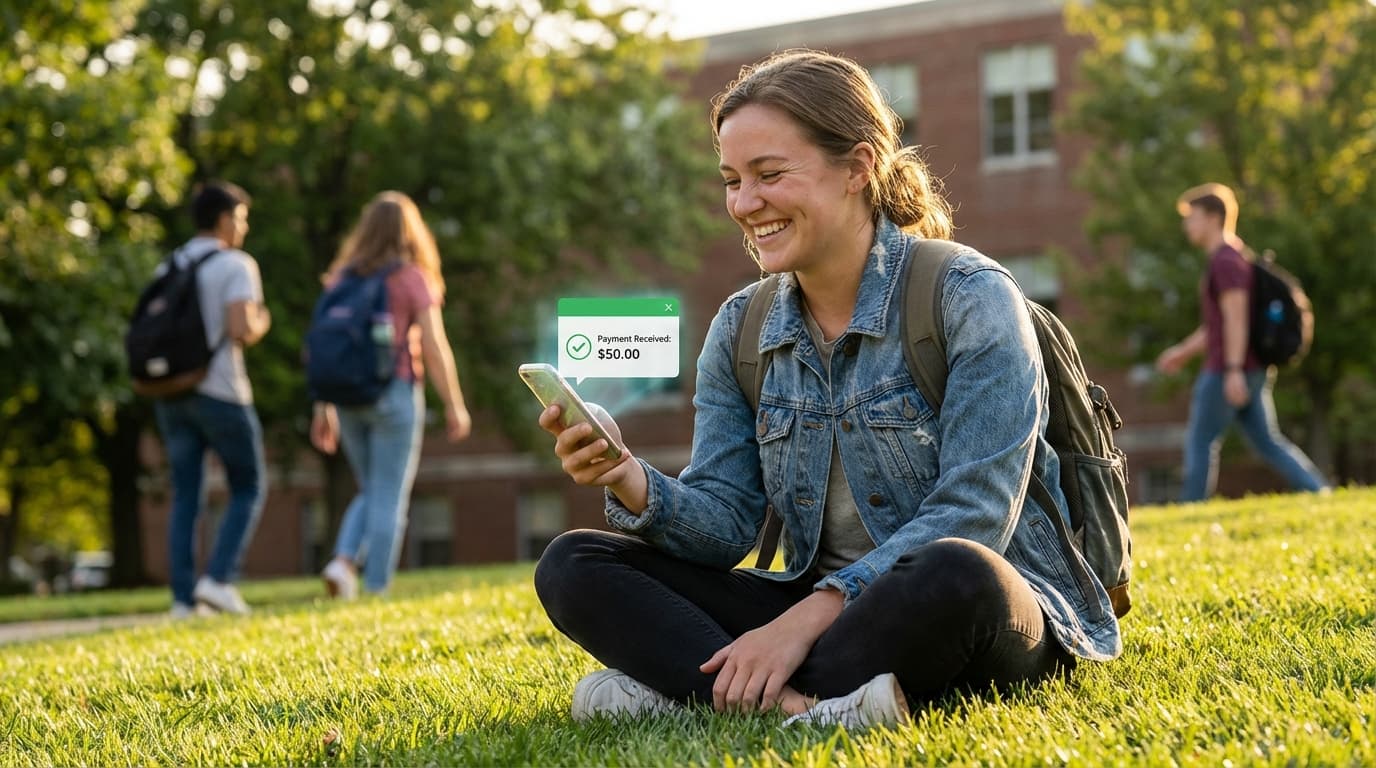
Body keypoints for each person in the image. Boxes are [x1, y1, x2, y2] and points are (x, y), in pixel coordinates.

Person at [532, 50, 1121, 729]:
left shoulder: (970, 296)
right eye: (731, 180)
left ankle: (688, 688)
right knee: (573, 563)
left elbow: (975, 513)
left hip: (980, 608)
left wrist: (803, 623)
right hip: (821, 612)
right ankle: (806, 706)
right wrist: (629, 476)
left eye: (769, 174)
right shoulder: (741, 327)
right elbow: (726, 522)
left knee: (957, 571)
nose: (744, 204)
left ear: (859, 167)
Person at [310, 191, 472, 598]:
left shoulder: (343, 277)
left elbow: (325, 347)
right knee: (389, 495)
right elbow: (434, 345)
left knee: (372, 490)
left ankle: (343, 562)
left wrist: (322, 406)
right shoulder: (410, 277)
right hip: (393, 394)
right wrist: (453, 403)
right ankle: (376, 588)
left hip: (347, 398)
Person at [1155, 183, 1328, 502]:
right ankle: (1319, 491)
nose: (1187, 225)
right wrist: (1182, 353)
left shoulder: (1225, 262)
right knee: (1267, 441)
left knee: (1200, 439)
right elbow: (1216, 326)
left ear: (1213, 218)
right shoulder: (1235, 258)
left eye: (1192, 217)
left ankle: (1190, 509)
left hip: (1228, 368)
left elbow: (1236, 319)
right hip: (1245, 366)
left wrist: (1233, 369)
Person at [155, 181, 271, 617]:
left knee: (186, 495)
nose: (243, 228)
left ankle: (183, 600)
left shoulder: (170, 264)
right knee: (249, 484)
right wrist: (263, 321)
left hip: (172, 393)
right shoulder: (236, 264)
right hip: (221, 390)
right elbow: (241, 328)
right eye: (240, 218)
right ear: (224, 219)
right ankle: (219, 579)